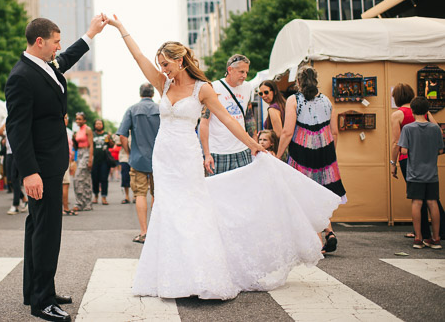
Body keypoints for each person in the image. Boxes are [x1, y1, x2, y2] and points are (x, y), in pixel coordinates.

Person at [108, 15, 340, 300]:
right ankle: (172, 274)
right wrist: (121, 28)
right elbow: (138, 56)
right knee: (167, 211)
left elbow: (229, 120)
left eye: (166, 64)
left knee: (192, 212)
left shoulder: (202, 89)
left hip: (186, 156)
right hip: (164, 157)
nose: (162, 70)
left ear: (180, 61)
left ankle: (201, 273)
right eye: (160, 66)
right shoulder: (163, 85)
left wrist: (253, 144)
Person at [5, 15, 107, 322]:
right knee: (47, 231)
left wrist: (90, 34)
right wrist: (29, 172)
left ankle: (35, 290)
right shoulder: (21, 76)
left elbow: (67, 58)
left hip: (51, 162)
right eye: (55, 41)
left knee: (37, 227)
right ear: (40, 42)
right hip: (41, 167)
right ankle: (43, 301)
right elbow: (17, 129)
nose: (58, 47)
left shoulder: (45, 66)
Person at [277, 66, 346, 254]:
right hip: (325, 152)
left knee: (304, 196)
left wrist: (277, 155)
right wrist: (331, 155)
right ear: (316, 80)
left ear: (298, 82)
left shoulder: (294, 100)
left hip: (302, 152)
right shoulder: (326, 101)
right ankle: (329, 232)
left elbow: (287, 131)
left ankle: (316, 242)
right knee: (320, 195)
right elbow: (335, 131)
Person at [390, 82, 443, 240]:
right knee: (432, 198)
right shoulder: (425, 113)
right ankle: (438, 231)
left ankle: (421, 233)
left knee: (417, 197)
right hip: (427, 158)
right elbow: (437, 130)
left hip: (408, 159)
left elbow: (396, 143)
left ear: (397, 97)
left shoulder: (398, 114)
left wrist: (393, 163)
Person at [116, 83, 160, 244]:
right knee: (158, 195)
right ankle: (156, 231)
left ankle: (144, 232)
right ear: (153, 93)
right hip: (159, 159)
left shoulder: (132, 109)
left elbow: (122, 135)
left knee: (140, 194)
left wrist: (129, 153)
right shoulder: (160, 109)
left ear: (140, 93)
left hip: (138, 158)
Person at [200, 54, 255, 176]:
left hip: (242, 149)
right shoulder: (213, 87)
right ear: (230, 70)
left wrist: (254, 145)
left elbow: (249, 118)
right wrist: (207, 153)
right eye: (241, 72)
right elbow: (204, 122)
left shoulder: (247, 87)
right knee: (218, 192)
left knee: (245, 189)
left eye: (246, 72)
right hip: (219, 151)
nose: (244, 76)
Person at [72, 112, 94, 212]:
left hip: (86, 153)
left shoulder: (87, 129)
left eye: (80, 119)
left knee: (77, 178)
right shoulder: (77, 131)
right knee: (85, 179)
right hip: (79, 153)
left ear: (84, 120)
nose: (78, 121)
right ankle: (85, 203)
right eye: (77, 119)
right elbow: (76, 146)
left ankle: (82, 202)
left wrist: (90, 159)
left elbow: (91, 145)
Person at [91, 119, 113, 205]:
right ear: (94, 125)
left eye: (100, 124)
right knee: (95, 179)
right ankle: (95, 196)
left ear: (102, 125)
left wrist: (109, 139)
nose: (98, 125)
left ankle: (104, 197)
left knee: (104, 179)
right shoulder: (92, 134)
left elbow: (112, 145)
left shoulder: (106, 134)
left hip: (105, 161)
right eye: (97, 124)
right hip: (94, 160)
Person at [62, 114, 77, 216]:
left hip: (64, 160)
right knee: (65, 184)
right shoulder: (62, 131)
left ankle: (64, 207)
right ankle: (65, 208)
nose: (66, 120)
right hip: (62, 161)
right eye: (65, 118)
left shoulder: (67, 131)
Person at [117, 136, 132, 204]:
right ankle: (127, 196)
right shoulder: (122, 132)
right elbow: (117, 143)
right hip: (125, 158)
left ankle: (136, 196)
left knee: (136, 178)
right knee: (125, 177)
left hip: (136, 158)